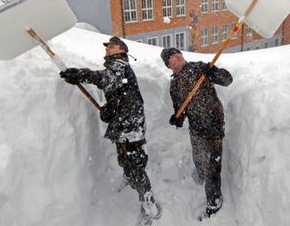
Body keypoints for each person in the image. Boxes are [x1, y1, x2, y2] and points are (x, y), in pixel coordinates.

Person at [60, 36, 161, 226]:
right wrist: (110, 110)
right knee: (125, 160)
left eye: (112, 46)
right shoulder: (115, 65)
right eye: (107, 47)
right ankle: (130, 178)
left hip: (131, 124)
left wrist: (82, 75)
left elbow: (109, 80)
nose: (107, 49)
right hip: (124, 121)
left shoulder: (120, 64)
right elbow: (118, 93)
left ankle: (149, 205)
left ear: (122, 50)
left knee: (135, 164)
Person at [160, 47, 233, 220]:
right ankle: (200, 176)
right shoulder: (174, 84)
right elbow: (180, 108)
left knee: (212, 166)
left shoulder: (200, 68)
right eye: (171, 56)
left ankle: (214, 203)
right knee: (198, 157)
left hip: (213, 124)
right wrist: (178, 117)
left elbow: (227, 80)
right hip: (196, 128)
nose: (177, 55)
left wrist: (213, 71)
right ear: (168, 65)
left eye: (178, 53)